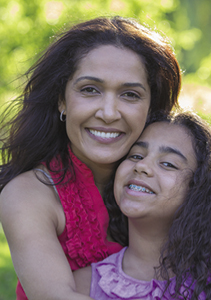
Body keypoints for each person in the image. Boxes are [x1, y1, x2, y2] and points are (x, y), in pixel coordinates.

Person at [0, 16, 181, 300]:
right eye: (90, 90)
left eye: (130, 94)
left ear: (151, 107)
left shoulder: (170, 181)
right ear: (62, 100)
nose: (109, 113)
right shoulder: (27, 196)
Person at [74, 110, 211, 300]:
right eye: (136, 156)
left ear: (198, 188)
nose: (142, 166)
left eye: (168, 164)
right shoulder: (81, 286)